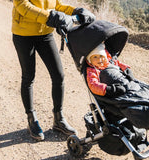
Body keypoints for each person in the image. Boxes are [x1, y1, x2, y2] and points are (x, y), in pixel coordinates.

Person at [12, 0, 96, 141]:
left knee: (58, 76)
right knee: (28, 77)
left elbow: (56, 5)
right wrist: (50, 17)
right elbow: (23, 6)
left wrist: (75, 11)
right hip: (23, 34)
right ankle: (31, 118)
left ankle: (58, 118)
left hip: (45, 33)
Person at [85, 43, 149, 129]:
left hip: (129, 85)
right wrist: (110, 89)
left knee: (144, 92)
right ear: (89, 60)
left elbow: (119, 64)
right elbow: (93, 85)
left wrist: (127, 69)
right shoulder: (92, 71)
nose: (99, 59)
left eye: (101, 56)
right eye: (95, 57)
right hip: (117, 92)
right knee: (136, 104)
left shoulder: (111, 62)